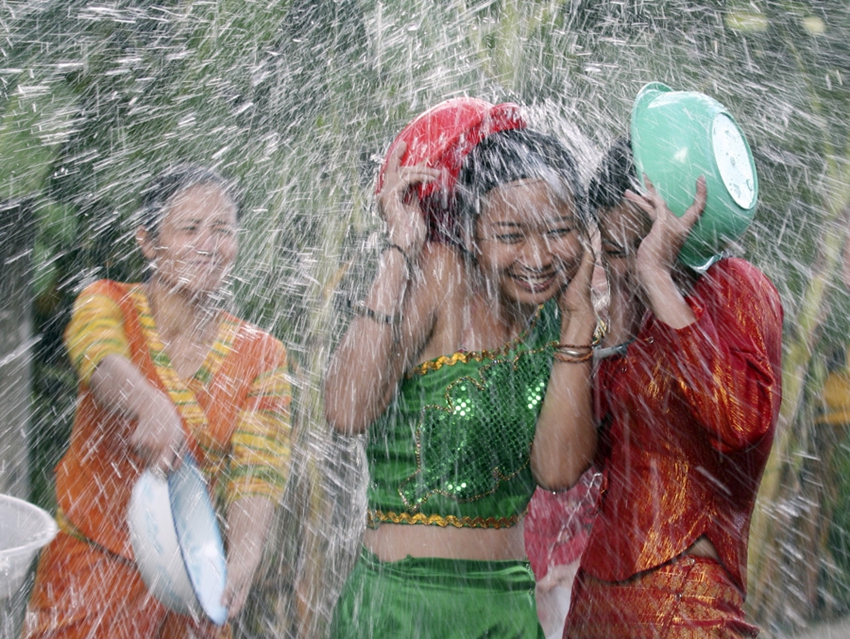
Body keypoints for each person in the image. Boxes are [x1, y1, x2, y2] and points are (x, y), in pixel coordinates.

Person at [323, 97, 598, 638]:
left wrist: (578, 323)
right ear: (471, 233)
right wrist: (399, 249)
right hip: (404, 606)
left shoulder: (560, 317)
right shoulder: (441, 276)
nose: (539, 258)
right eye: (511, 235)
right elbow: (346, 410)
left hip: (507, 609)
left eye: (560, 230)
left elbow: (558, 470)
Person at [22, 165, 292, 639]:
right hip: (86, 584)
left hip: (190, 587)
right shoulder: (106, 302)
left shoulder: (261, 353)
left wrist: (246, 550)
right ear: (148, 242)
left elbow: (259, 468)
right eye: (190, 229)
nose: (209, 245)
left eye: (223, 230)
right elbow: (100, 357)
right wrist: (148, 403)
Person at [563, 139, 783, 637]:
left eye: (630, 249)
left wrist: (655, 277)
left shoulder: (737, 285)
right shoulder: (641, 314)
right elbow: (598, 452)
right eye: (611, 250)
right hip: (596, 602)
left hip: (684, 605)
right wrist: (620, 317)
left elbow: (741, 420)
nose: (618, 266)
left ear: (676, 225)